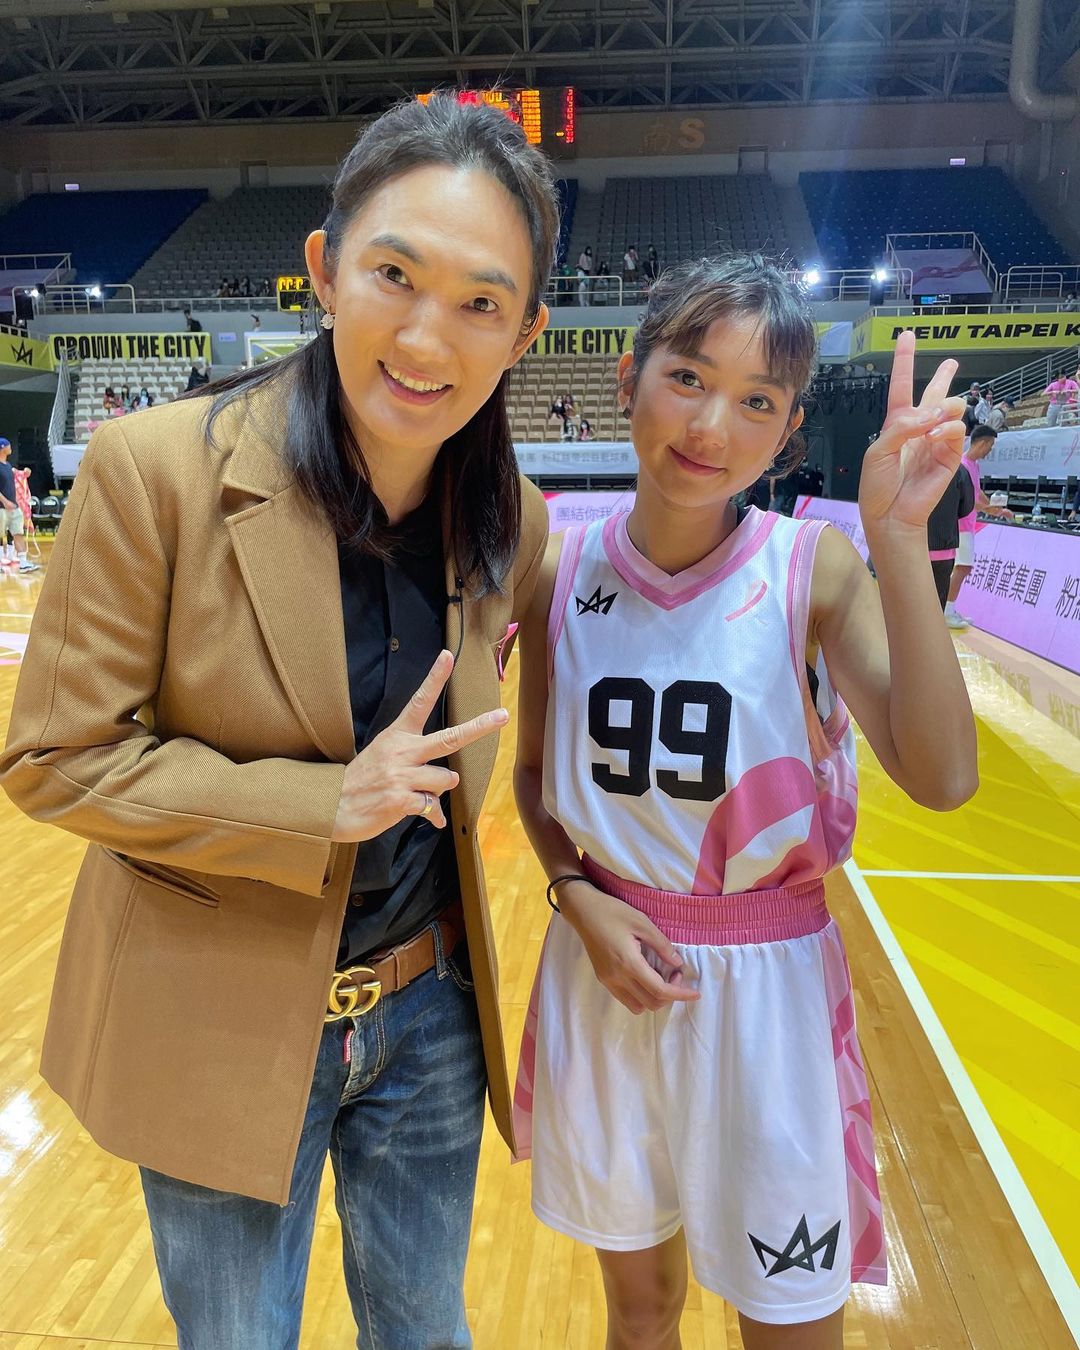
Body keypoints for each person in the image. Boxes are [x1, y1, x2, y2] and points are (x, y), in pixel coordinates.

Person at [0, 92, 557, 1350]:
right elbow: (53, 759)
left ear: (526, 330)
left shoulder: (508, 517)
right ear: (324, 267)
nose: (427, 336)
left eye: (481, 302)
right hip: (218, 1013)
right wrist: (322, 804)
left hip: (429, 1008)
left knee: (427, 1331)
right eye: (394, 275)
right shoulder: (154, 471)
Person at [512, 256, 977, 1349]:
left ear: (790, 429)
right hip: (605, 968)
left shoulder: (814, 569)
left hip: (768, 991)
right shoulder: (557, 571)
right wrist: (574, 895)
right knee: (639, 1315)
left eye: (757, 400)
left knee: (788, 1324)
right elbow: (534, 778)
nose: (712, 425)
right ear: (628, 377)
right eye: (687, 377)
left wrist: (898, 541)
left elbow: (943, 777)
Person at [945, 424, 1013, 629]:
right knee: (963, 567)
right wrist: (988, 509)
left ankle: (948, 609)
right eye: (989, 446)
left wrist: (993, 508)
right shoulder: (962, 466)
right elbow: (966, 499)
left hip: (967, 524)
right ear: (982, 443)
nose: (989, 451)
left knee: (961, 568)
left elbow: (977, 493)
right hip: (961, 525)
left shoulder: (973, 466)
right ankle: (946, 611)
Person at [927, 458, 976, 610]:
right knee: (936, 605)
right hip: (943, 547)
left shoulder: (912, 464)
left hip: (911, 547)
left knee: (908, 605)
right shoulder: (959, 470)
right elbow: (967, 507)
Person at [0, 438, 39, 573]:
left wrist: (25, 473)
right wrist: (5, 502)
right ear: (2, 448)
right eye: (8, 446)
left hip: (14, 508)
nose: (10, 448)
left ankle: (23, 563)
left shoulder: (7, 465)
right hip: (2, 508)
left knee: (18, 533)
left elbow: (19, 475)